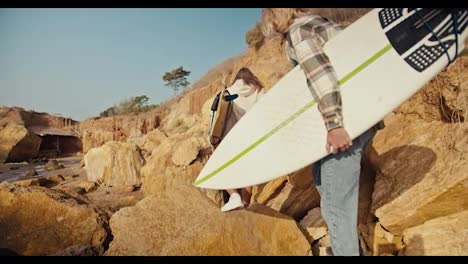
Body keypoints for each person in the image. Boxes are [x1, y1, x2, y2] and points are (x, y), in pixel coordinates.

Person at [261, 8, 383, 256]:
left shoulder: (299, 31)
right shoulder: (318, 24)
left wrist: (334, 124)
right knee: (323, 183)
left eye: (270, 20)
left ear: (278, 15)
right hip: (362, 118)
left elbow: (323, 76)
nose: (271, 28)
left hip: (345, 123)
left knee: (337, 206)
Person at [218, 67, 266, 212]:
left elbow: (222, 109)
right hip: (252, 138)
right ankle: (245, 204)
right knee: (248, 173)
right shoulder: (259, 91)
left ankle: (234, 197)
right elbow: (266, 109)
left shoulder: (231, 92)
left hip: (233, 138)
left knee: (221, 169)